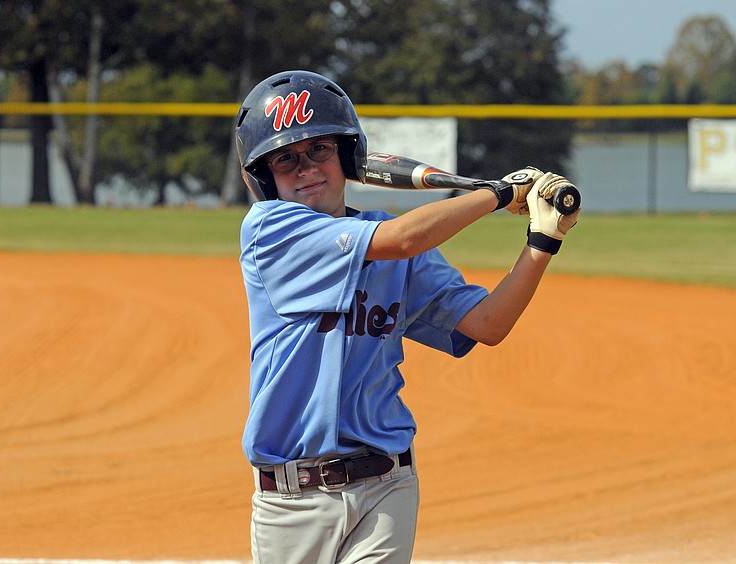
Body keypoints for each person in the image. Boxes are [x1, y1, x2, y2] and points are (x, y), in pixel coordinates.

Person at [234, 69, 580, 564]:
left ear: (347, 156)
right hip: (292, 500)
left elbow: (487, 325)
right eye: (286, 157)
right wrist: (499, 194)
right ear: (263, 175)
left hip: (386, 487)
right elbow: (401, 240)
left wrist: (542, 243)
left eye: (320, 150)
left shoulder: (392, 242)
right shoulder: (270, 231)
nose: (306, 167)